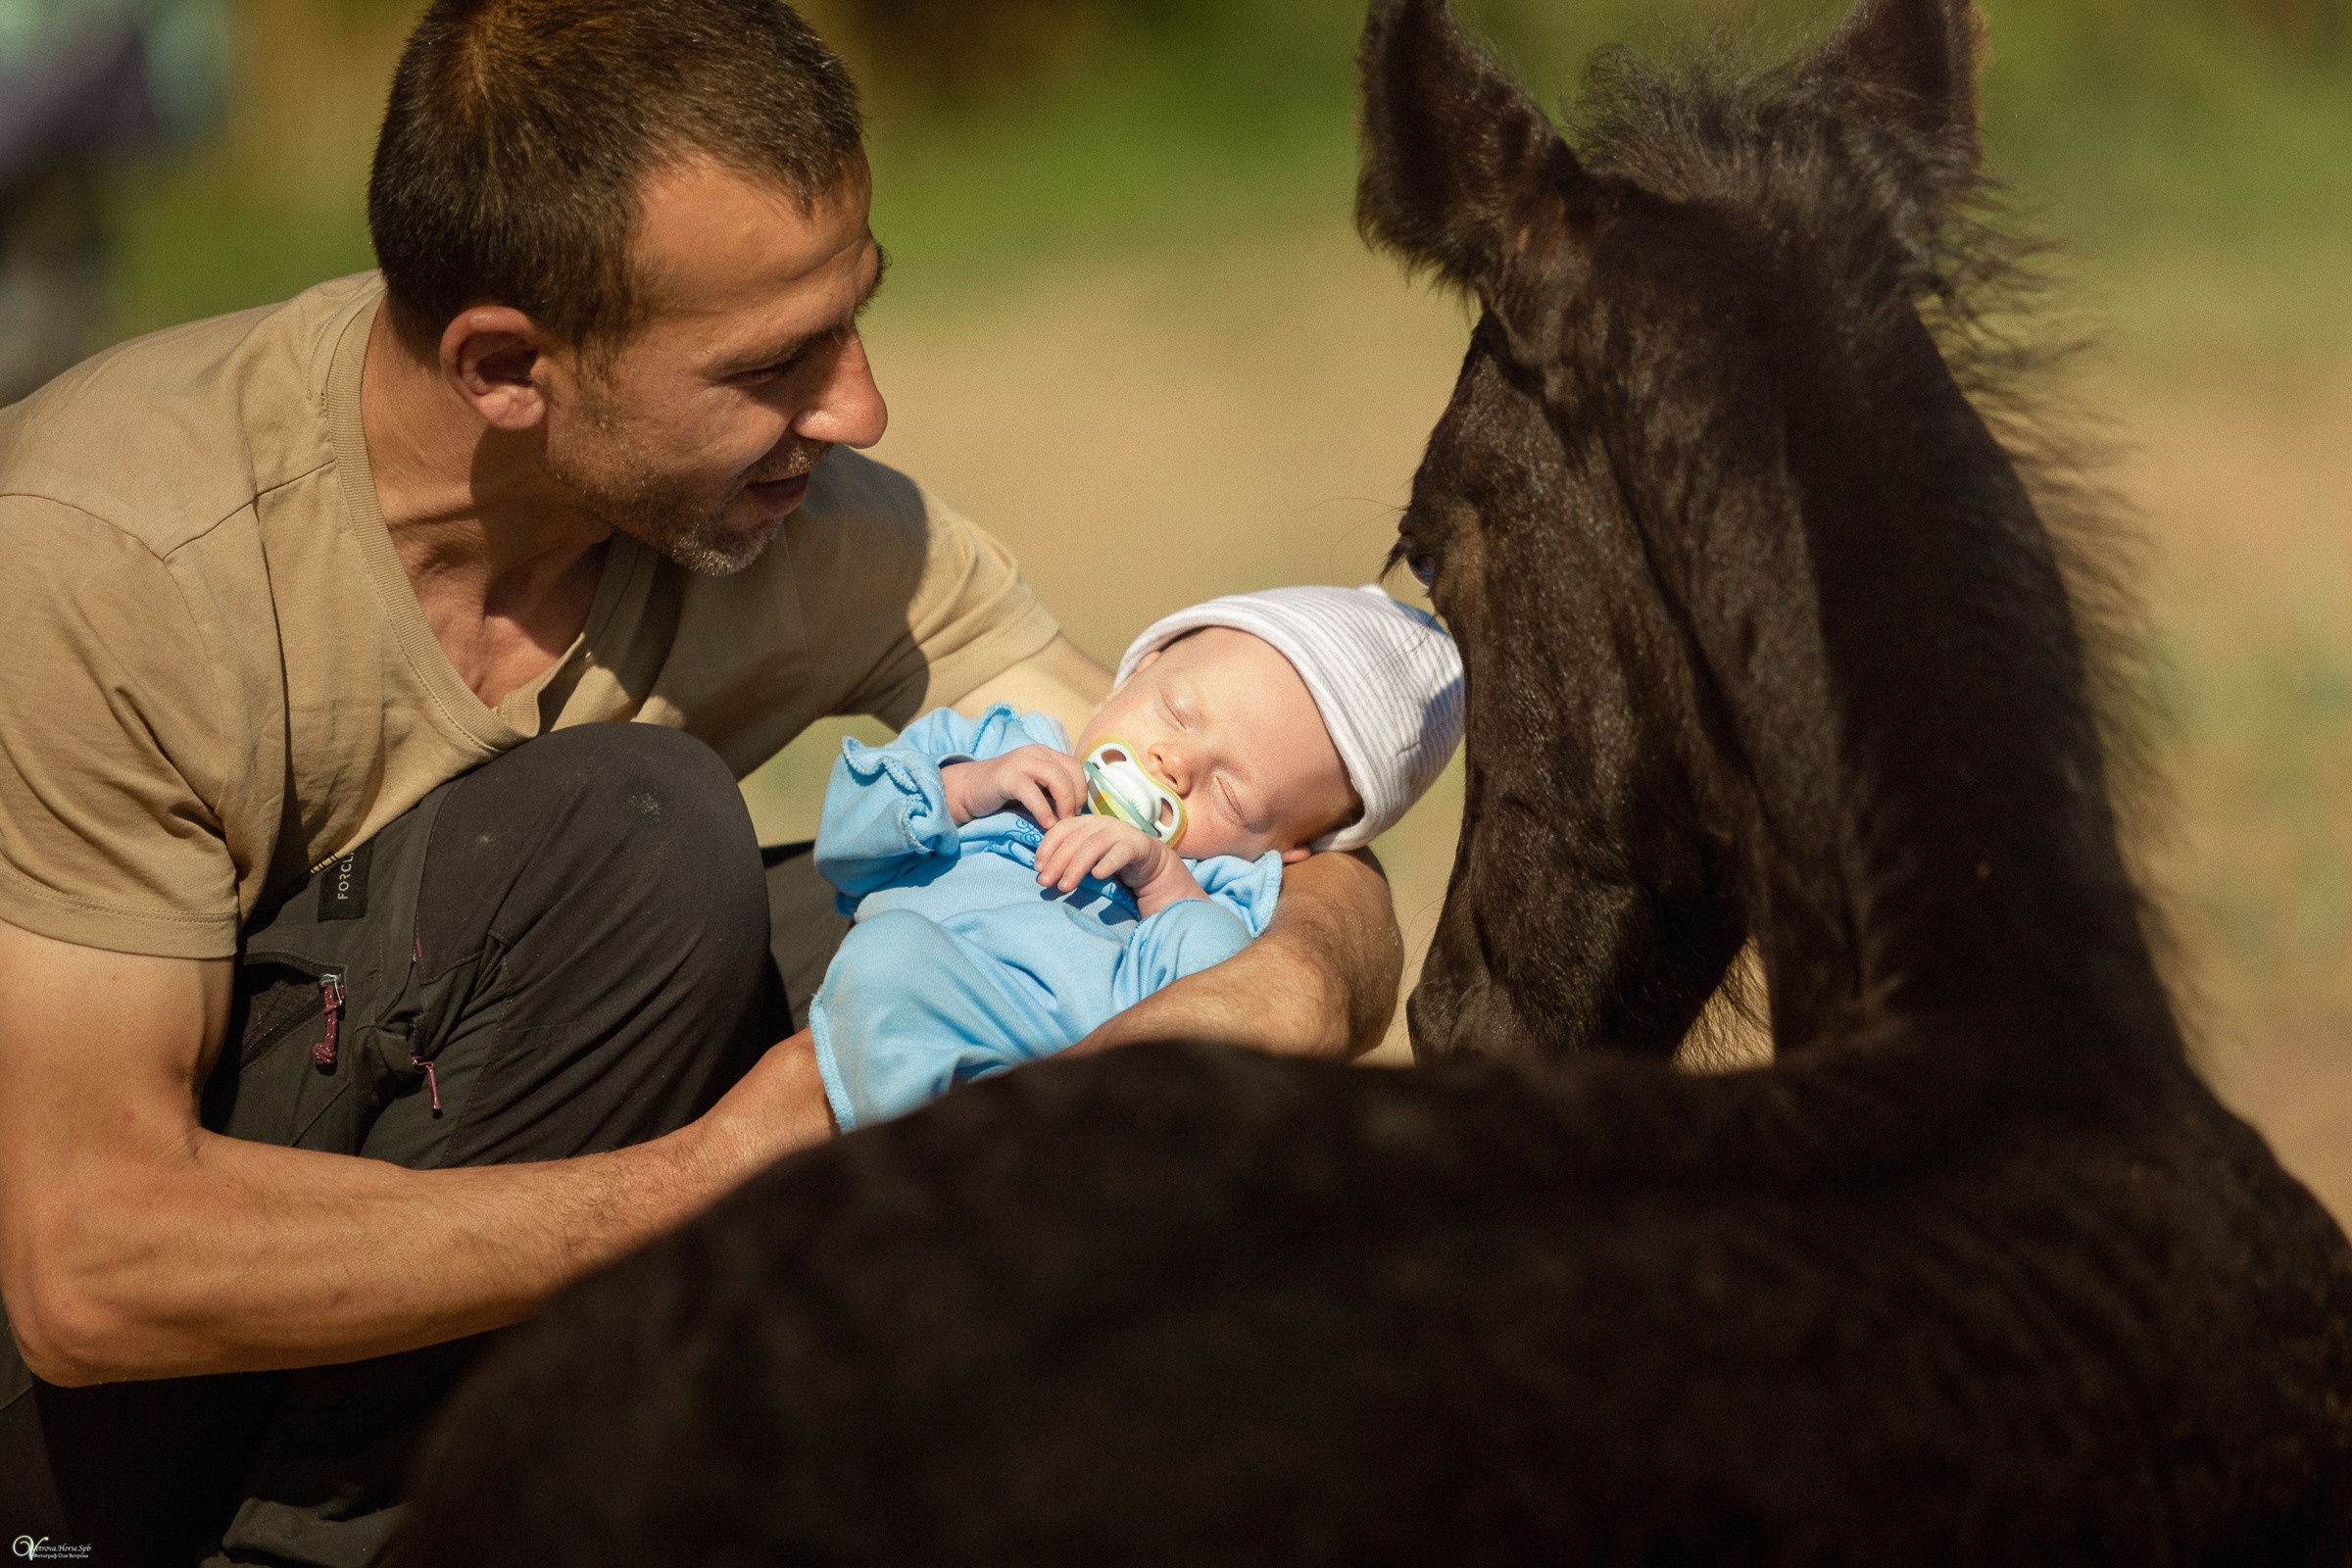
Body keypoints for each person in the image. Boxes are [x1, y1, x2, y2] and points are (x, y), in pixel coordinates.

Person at [0, 1, 1401, 1561]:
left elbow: (1237, 793)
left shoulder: (807, 528)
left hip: (362, 1264)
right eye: (774, 362)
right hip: (61, 1433)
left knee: (996, 923)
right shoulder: (105, 562)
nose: (860, 409)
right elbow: (89, 1274)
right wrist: (732, 1166)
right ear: (507, 368)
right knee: (642, 842)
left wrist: (1296, 977)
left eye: (854, 315)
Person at [814, 586, 1463, 1129]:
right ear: (1138, 670)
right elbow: (843, 845)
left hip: (1074, 1076)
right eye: (1177, 713)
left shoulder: (1216, 889)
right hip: (922, 1008)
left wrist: (1162, 883)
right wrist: (967, 788)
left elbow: (1222, 1004)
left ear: (1288, 848)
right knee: (887, 954)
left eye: (1230, 796)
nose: (1175, 764)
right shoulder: (992, 744)